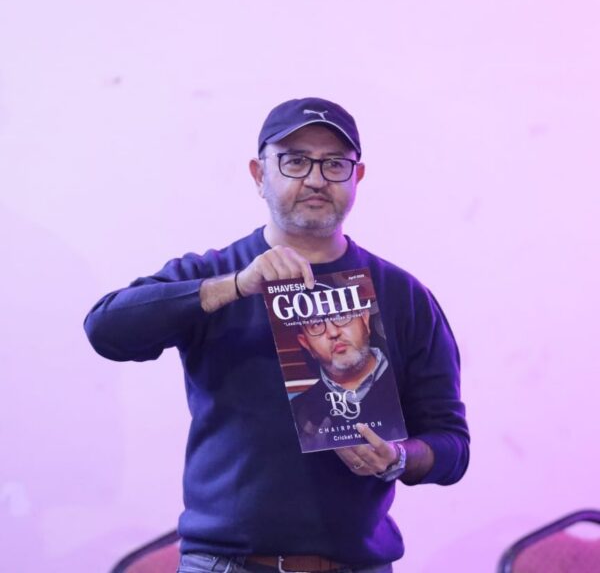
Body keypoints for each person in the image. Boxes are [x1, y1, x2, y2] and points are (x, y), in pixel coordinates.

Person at [84, 97, 470, 573]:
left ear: (358, 177)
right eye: (295, 161)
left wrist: (398, 458)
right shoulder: (216, 274)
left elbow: (452, 446)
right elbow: (105, 329)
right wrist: (235, 286)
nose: (315, 179)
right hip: (225, 562)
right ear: (258, 174)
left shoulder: (402, 295)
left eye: (334, 164)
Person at [291, 306, 407, 453]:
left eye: (340, 314)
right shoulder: (299, 411)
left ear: (364, 319)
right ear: (306, 343)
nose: (333, 332)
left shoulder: (409, 378)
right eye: (316, 324)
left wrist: (403, 456)